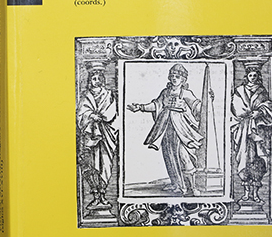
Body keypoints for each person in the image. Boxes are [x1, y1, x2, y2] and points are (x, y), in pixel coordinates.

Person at [127, 64, 204, 196]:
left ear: (183, 79)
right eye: (172, 76)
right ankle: (177, 185)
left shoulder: (186, 93)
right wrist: (140, 107)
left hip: (181, 129)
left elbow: (198, 106)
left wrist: (209, 100)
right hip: (166, 127)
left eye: (177, 76)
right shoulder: (165, 92)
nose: (174, 78)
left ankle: (193, 187)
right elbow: (156, 105)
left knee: (184, 156)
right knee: (169, 156)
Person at [231, 67, 272, 202]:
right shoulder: (239, 91)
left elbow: (269, 105)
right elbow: (235, 107)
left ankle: (255, 194)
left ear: (258, 77)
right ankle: (245, 192)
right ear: (247, 77)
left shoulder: (262, 91)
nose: (253, 78)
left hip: (258, 131)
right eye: (250, 75)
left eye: (255, 75)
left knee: (257, 161)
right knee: (244, 160)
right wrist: (248, 113)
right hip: (243, 130)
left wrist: (260, 112)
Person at [77, 68, 118, 209]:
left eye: (99, 78)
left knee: (105, 165)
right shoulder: (86, 96)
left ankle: (103, 194)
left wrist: (103, 117)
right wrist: (90, 115)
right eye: (94, 79)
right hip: (91, 137)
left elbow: (113, 111)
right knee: (91, 165)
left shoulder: (109, 94)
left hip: (106, 135)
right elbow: (81, 113)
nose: (97, 81)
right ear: (90, 80)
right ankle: (95, 196)